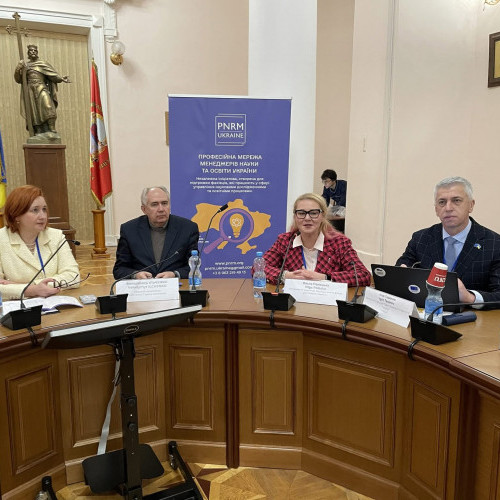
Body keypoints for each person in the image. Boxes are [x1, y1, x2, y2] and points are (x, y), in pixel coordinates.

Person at [396, 176, 500, 307]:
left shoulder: (494, 244)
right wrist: (402, 275)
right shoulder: (421, 238)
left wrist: (470, 298)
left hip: (471, 316)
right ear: (436, 209)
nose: (448, 208)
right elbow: (402, 267)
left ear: (471, 205)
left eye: (456, 200)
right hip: (426, 313)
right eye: (442, 202)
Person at [262, 193, 371, 286]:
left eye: (314, 213)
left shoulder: (339, 242)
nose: (307, 218)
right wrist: (286, 276)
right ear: (295, 216)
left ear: (323, 216)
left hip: (327, 302)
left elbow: (363, 275)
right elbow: (259, 267)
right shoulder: (285, 241)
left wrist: (325, 278)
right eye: (301, 213)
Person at [0, 185, 80, 300]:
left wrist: (27, 287)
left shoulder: (56, 236)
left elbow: (73, 276)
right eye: (35, 210)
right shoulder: (2, 239)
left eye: (44, 209)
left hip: (53, 304)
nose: (42, 216)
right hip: (17, 307)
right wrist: (32, 290)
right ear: (16, 215)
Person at [113, 186, 199, 280]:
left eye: (164, 203)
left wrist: (174, 274)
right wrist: (136, 275)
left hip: (176, 286)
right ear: (144, 209)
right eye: (154, 204)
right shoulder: (129, 230)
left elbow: (194, 266)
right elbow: (119, 269)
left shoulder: (188, 228)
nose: (161, 209)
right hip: (143, 286)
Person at [14, 44, 70, 139]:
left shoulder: (42, 63)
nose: (33, 52)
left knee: (48, 106)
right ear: (28, 53)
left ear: (37, 52)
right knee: (34, 111)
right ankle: (38, 131)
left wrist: (61, 78)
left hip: (41, 87)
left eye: (34, 50)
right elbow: (18, 79)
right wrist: (18, 68)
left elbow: (52, 75)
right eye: (31, 51)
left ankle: (52, 129)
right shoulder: (25, 66)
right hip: (30, 90)